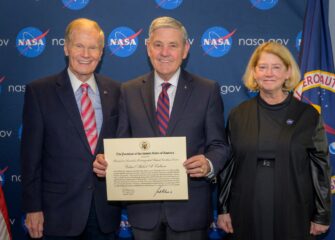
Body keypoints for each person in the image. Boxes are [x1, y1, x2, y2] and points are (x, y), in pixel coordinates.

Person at [93, 16, 229, 240]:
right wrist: (109, 162)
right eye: (158, 45)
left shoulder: (207, 90)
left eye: (173, 45)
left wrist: (208, 163)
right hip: (143, 213)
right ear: (148, 48)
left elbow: (219, 145)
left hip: (190, 214)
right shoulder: (129, 90)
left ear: (185, 50)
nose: (164, 52)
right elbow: (122, 143)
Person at [217, 42, 332, 240]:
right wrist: (223, 208)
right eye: (262, 67)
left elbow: (320, 166)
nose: (269, 73)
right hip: (245, 207)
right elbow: (228, 166)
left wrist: (322, 214)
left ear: (288, 72)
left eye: (276, 67)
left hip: (294, 208)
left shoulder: (308, 115)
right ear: (254, 72)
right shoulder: (238, 115)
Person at [21, 18, 121, 239]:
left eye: (93, 47)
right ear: (66, 47)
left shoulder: (116, 91)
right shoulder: (39, 92)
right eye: (79, 45)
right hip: (56, 213)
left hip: (104, 214)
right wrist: (33, 207)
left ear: (101, 52)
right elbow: (30, 158)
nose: (86, 54)